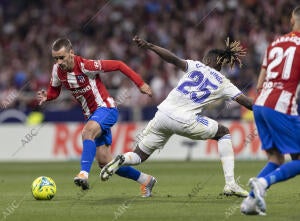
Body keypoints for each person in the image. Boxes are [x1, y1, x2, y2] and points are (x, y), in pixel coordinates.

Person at [100, 36, 254, 197]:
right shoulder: (224, 83)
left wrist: (150, 45)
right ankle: (230, 183)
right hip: (185, 120)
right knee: (224, 133)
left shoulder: (196, 65)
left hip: (162, 115)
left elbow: (172, 59)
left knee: (139, 155)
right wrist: (268, 106)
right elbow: (247, 103)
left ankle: (122, 159)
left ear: (208, 59)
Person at [37, 38, 157, 197]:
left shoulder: (86, 66)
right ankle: (146, 180)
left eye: (62, 57)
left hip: (106, 109)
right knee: (106, 163)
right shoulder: (57, 71)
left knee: (87, 133)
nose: (59, 62)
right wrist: (48, 96)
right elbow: (54, 91)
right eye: (55, 58)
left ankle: (83, 174)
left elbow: (119, 65)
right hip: (92, 116)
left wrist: (140, 83)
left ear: (71, 53)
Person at [241, 5, 300, 215]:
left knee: (276, 159)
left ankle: (249, 202)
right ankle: (263, 183)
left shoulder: (275, 43)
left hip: (260, 104)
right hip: (281, 106)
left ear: (292, 21)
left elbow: (259, 83)